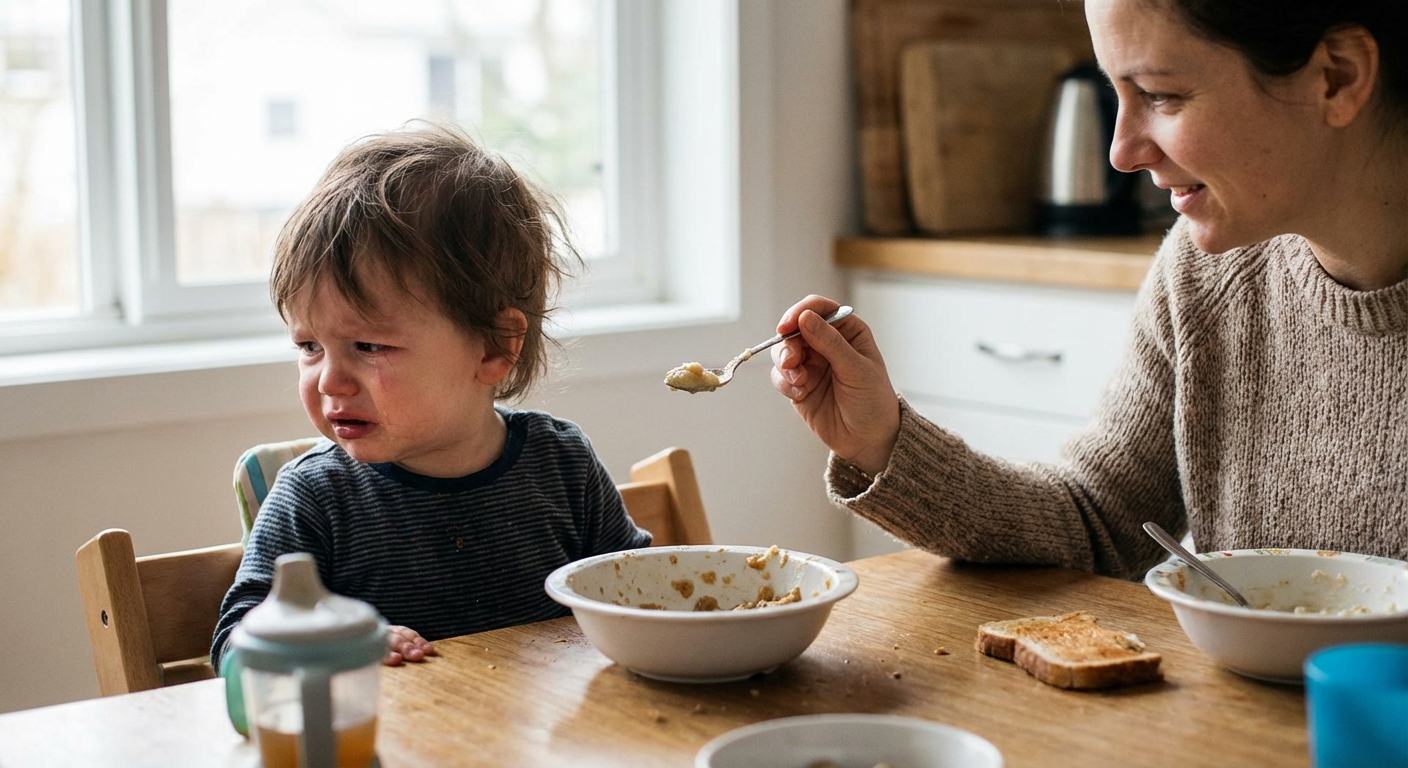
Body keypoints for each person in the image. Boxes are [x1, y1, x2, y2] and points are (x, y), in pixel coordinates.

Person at [771, 0, 1408, 580]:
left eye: (1160, 95)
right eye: (1116, 93)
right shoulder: (1202, 275)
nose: (1121, 153)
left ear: (1338, 76)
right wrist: (882, 441)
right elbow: (1097, 521)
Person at [211, 125, 651, 670]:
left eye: (368, 345)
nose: (329, 381)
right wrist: (341, 643)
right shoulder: (315, 498)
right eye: (309, 346)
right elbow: (235, 644)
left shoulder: (561, 463)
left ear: (493, 347)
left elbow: (637, 593)